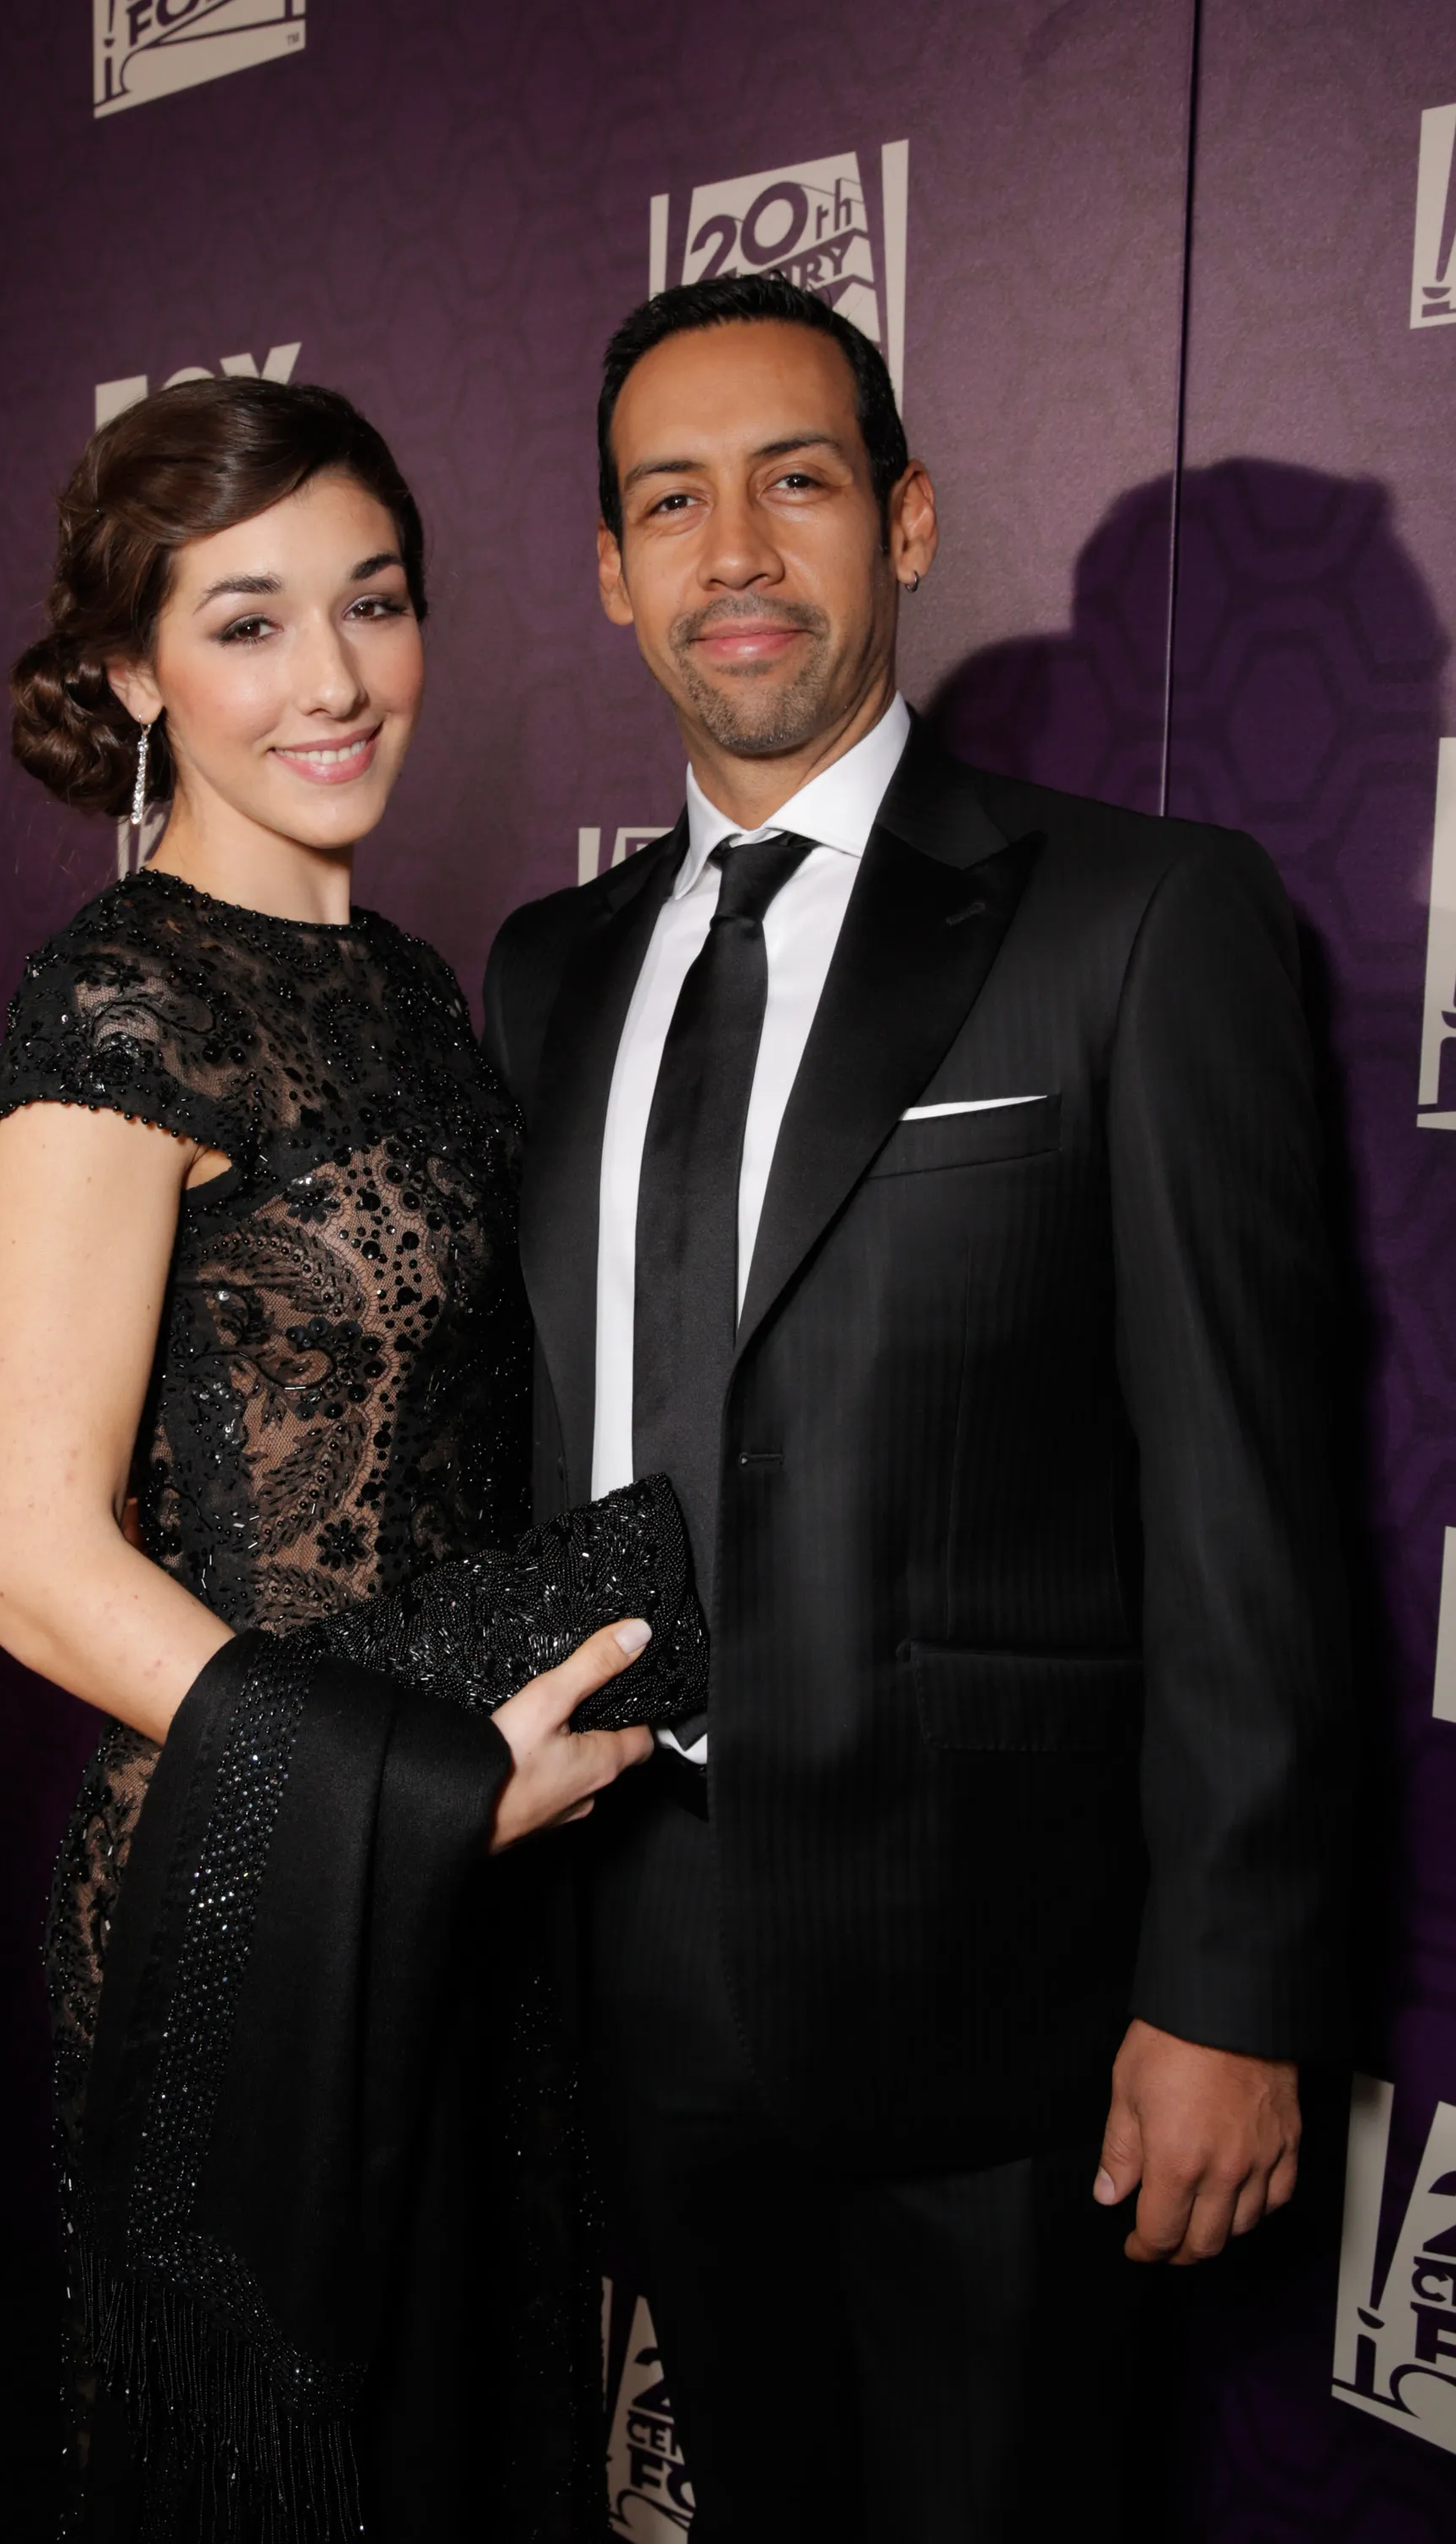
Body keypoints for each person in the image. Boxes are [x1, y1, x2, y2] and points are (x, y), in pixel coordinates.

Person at [482, 274, 1353, 2541]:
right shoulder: (547, 970)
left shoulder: (1137, 921)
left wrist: (1227, 1991)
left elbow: (1245, 1493)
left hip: (1008, 2008)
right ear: (610, 571)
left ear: (907, 520)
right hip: (636, 1960)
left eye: (795, 479)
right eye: (670, 501)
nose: (735, 551)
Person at [0, 376, 666, 2541]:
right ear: (131, 671)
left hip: (473, 1871)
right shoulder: (123, 1009)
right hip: (263, 1882)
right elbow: (24, 1553)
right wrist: (409, 1790)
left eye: (372, 601)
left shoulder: (416, 991)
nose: (336, 679)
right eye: (248, 623)